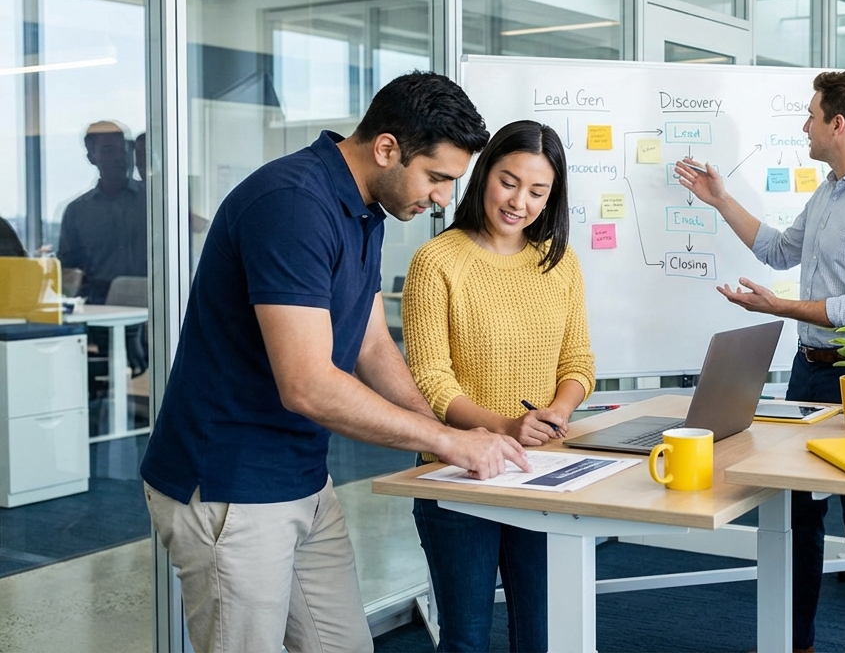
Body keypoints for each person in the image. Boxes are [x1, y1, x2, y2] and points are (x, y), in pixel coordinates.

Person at [139, 71, 530, 653]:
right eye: (438, 178)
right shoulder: (294, 206)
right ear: (387, 148)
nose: (444, 198)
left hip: (300, 474)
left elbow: (371, 345)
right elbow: (309, 385)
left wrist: (448, 428)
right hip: (230, 484)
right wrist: (449, 443)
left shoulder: (365, 208)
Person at [675, 70, 845, 653]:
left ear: (838, 124)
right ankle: (799, 641)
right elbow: (782, 249)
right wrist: (721, 201)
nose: (804, 126)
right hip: (809, 369)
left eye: (811, 115)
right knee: (799, 512)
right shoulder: (831, 190)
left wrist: (778, 305)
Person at [403, 120, 594, 653]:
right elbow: (430, 382)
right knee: (466, 639)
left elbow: (578, 360)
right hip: (457, 471)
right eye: (509, 182)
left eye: (538, 192)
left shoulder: (559, 262)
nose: (520, 202)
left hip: (542, 471)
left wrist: (556, 410)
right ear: (484, 173)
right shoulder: (437, 262)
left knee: (542, 633)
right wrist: (508, 426)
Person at [59, 121, 149, 375]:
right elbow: (69, 272)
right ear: (92, 157)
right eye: (109, 150)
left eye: (122, 149)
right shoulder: (78, 212)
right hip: (100, 321)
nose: (119, 157)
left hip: (156, 317)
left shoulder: (155, 202)